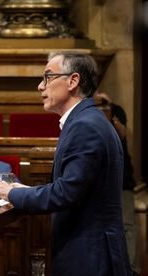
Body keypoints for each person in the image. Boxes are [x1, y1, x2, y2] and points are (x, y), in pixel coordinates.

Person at [0, 52, 131, 275]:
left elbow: (66, 193)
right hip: (89, 253)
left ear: (73, 81)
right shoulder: (86, 120)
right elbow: (76, 188)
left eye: (48, 77)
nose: (40, 86)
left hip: (89, 258)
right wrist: (26, 190)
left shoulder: (84, 126)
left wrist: (11, 194)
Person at [95, 91, 140, 275]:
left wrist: (110, 109)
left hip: (122, 179)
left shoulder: (116, 111)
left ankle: (132, 270)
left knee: (127, 225)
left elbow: (122, 134)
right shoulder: (88, 114)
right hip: (100, 179)